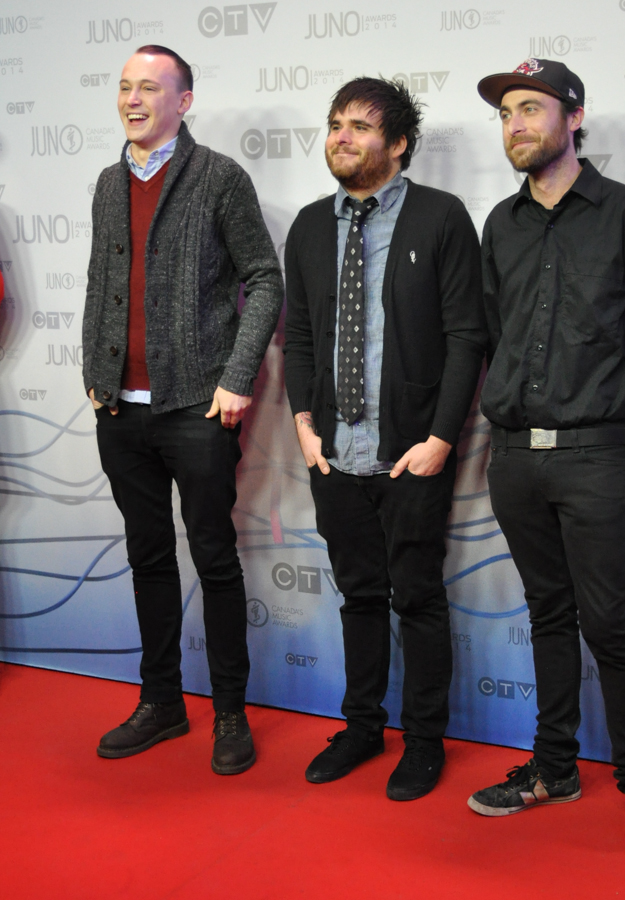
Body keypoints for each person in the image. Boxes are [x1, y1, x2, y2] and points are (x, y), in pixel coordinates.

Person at [469, 59, 625, 856]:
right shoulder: (501, 223)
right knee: (546, 616)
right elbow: (493, 336)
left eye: (531, 108)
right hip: (515, 458)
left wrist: (613, 427)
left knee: (608, 625)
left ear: (574, 116)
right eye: (505, 114)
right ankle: (552, 768)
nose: (516, 124)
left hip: (595, 454)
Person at [283, 77, 486, 800]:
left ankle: (424, 740)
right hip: (333, 453)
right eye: (336, 123)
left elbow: (467, 337)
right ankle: (363, 727)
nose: (342, 136)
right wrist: (304, 425)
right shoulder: (309, 225)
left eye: (361, 126)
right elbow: (300, 336)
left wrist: (440, 438)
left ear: (398, 144)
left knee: (418, 597)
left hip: (411, 454)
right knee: (358, 596)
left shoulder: (440, 217)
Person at [82, 45, 283, 774]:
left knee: (214, 558)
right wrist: (93, 371)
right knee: (147, 557)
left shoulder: (219, 178)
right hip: (120, 412)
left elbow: (264, 278)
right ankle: (161, 701)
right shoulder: (109, 182)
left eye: (150, 87)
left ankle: (230, 711)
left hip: (198, 410)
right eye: (125, 86)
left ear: (183, 101)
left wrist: (236, 377)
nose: (133, 99)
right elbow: (102, 279)